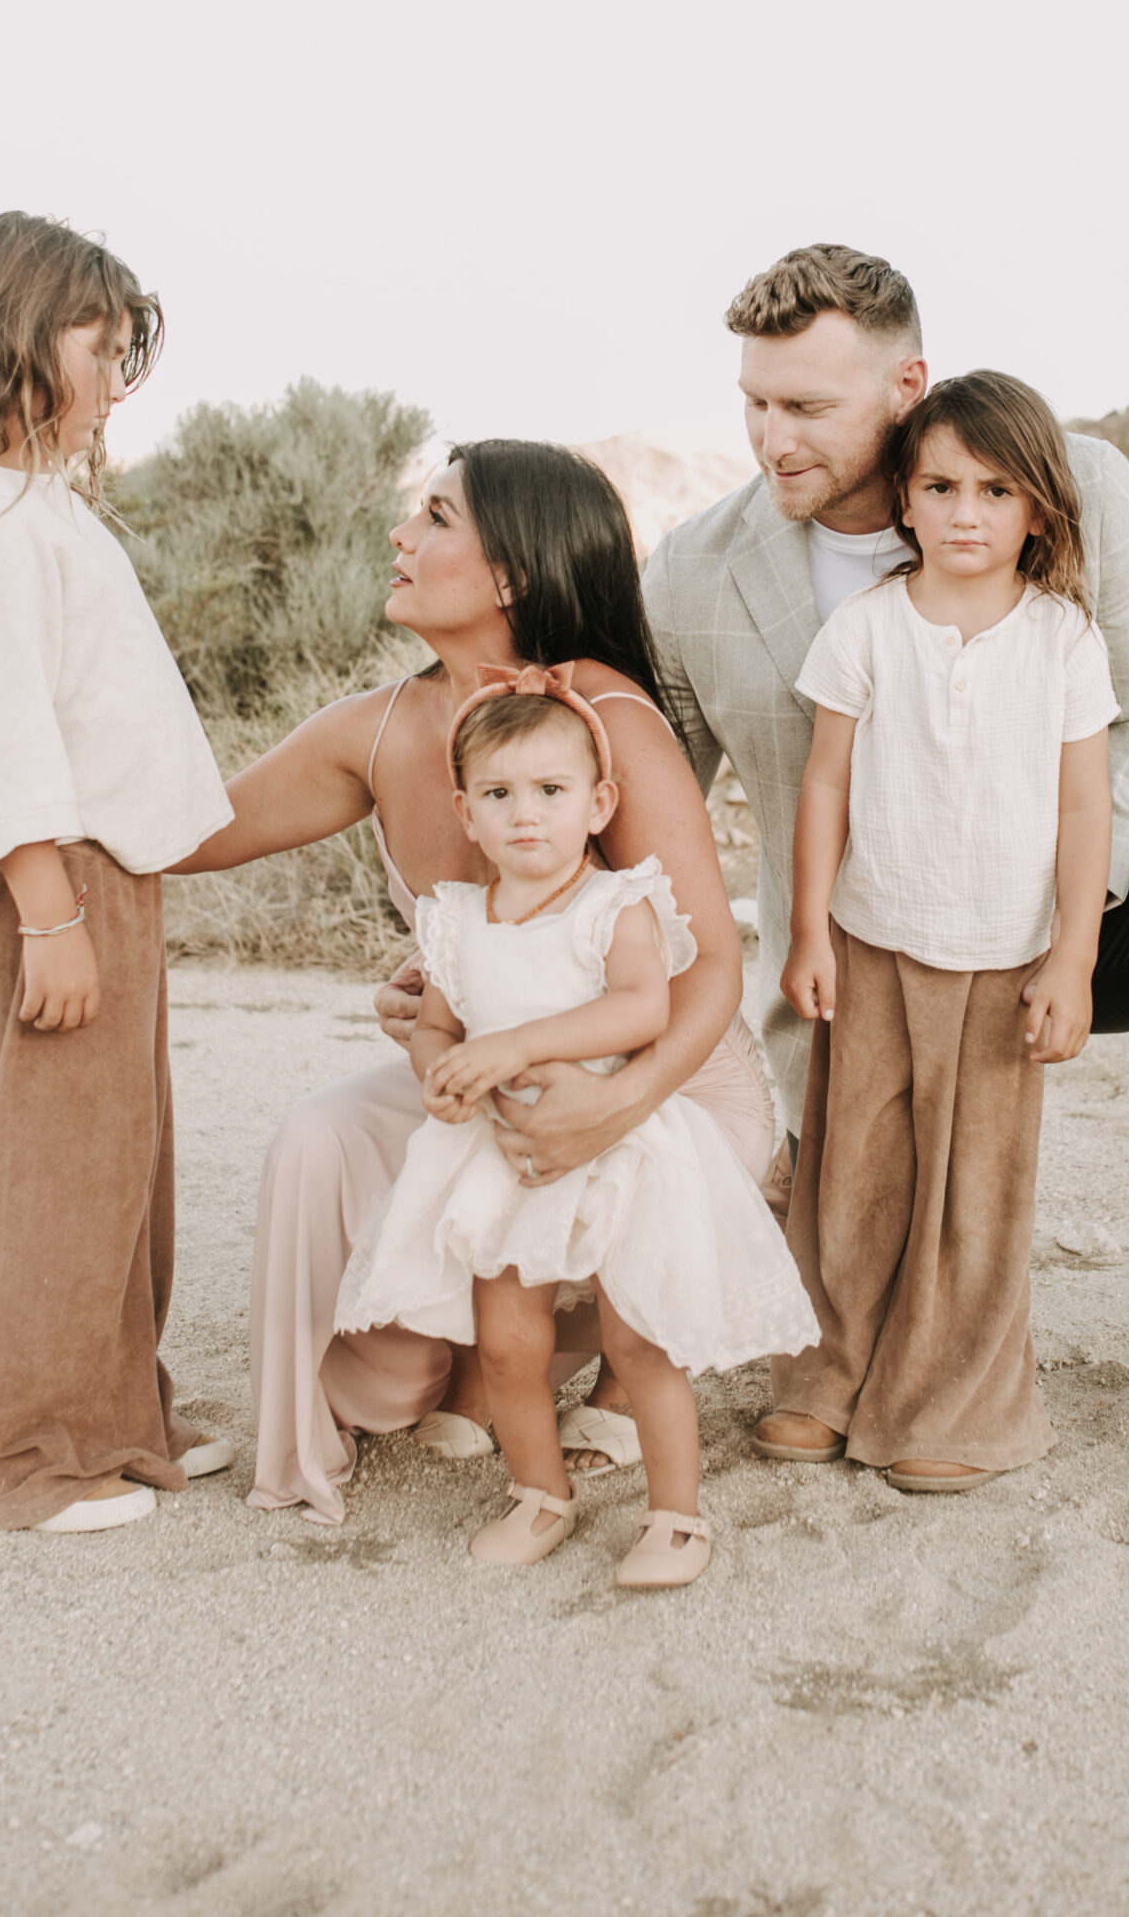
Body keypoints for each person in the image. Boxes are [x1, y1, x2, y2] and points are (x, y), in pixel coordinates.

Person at [645, 244, 1129, 1496]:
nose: (769, 438)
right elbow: (653, 798)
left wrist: (1053, 914)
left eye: (807, 407)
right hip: (861, 959)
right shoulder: (693, 570)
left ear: (908, 386)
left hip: (1059, 907)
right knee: (862, 1203)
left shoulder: (1071, 481)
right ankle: (829, 1353)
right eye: (754, 400)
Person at [176, 441, 778, 1522]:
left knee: (622, 1183)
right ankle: (306, 1446)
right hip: (492, 1069)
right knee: (318, 1131)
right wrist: (35, 813)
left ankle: (587, 1359)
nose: (401, 536)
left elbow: (714, 965)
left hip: (664, 1071)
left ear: (512, 575)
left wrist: (616, 1103)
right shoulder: (385, 725)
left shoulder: (603, 722)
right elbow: (197, 829)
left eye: (436, 517)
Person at [0, 212, 237, 1533]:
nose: (116, 375)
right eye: (102, 343)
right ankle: (16, 1456)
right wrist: (51, 911)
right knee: (48, 1169)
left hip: (93, 871)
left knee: (110, 1160)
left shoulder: (34, 506)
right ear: (22, 340)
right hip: (44, 875)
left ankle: (109, 1414)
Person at [337, 670, 815, 1583]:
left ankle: (676, 1515)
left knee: (638, 1340)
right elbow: (439, 1024)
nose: (526, 815)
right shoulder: (457, 918)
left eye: (551, 792)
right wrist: (439, 1075)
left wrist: (513, 1042)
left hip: (618, 1149)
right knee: (510, 1341)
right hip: (504, 1156)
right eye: (500, 794)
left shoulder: (616, 905)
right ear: (464, 810)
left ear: (598, 804)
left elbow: (640, 1011)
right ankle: (538, 1492)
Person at [774, 373, 1115, 1486]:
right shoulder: (867, 627)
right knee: (854, 1165)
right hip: (874, 940)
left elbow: (1083, 806)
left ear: (1039, 510)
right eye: (941, 484)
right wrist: (811, 932)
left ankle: (946, 1407)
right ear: (905, 502)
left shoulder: (1062, 640)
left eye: (996, 488)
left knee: (978, 1185)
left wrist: (1074, 955)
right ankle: (829, 1371)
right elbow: (824, 785)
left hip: (1006, 957)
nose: (967, 511)